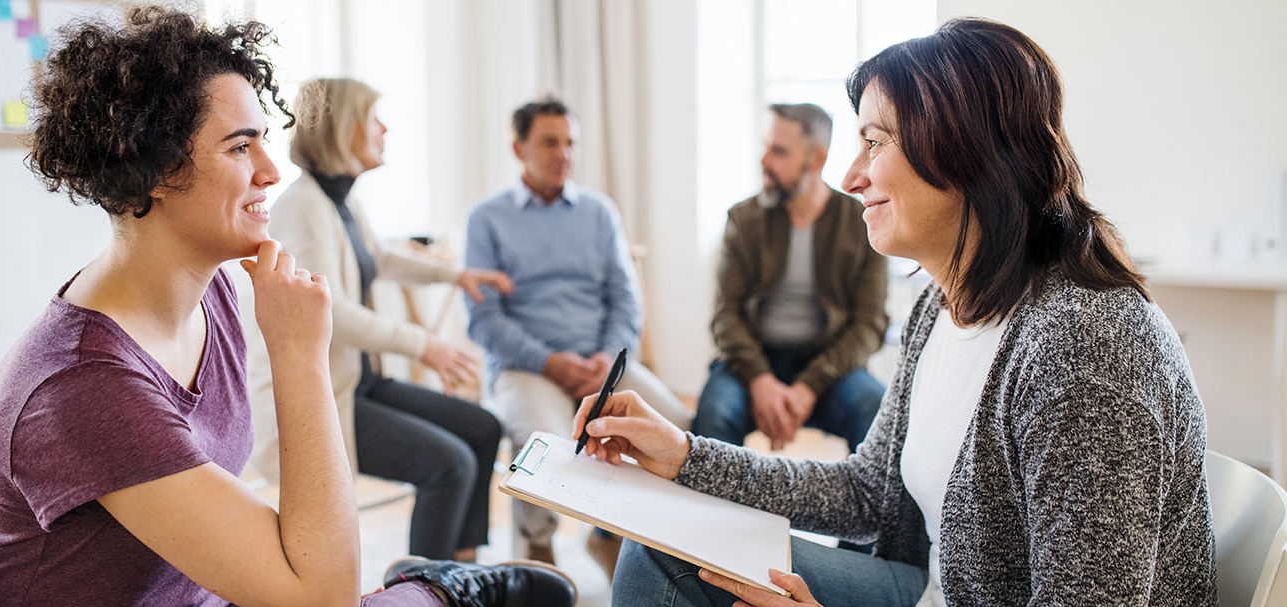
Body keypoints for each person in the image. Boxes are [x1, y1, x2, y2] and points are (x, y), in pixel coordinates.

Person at [579, 18, 1217, 607]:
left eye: (873, 142)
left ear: (963, 152)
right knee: (662, 542)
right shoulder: (943, 304)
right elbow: (868, 491)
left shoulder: (1085, 347)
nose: (851, 176)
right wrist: (685, 455)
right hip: (930, 586)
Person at [0, 8, 573, 607]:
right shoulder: (84, 388)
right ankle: (433, 590)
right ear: (151, 170)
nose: (272, 170)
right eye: (238, 147)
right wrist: (300, 354)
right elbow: (323, 599)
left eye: (264, 141)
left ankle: (429, 588)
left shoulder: (216, 294)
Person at [252, 77, 511, 563]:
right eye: (373, 119)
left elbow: (381, 258)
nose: (384, 129)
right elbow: (330, 310)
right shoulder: (303, 207)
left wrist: (457, 276)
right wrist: (425, 345)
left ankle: (462, 570)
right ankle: (423, 590)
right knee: (449, 465)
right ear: (342, 128)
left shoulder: (340, 200)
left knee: (481, 428)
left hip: (361, 382)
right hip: (325, 399)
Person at [464, 97, 692, 571]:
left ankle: (610, 531)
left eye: (571, 143)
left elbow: (626, 298)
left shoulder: (598, 212)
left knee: (674, 422)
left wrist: (607, 358)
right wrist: (551, 362)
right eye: (550, 142)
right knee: (541, 441)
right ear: (518, 147)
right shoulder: (487, 218)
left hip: (600, 362)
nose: (563, 153)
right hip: (529, 367)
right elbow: (484, 321)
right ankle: (539, 543)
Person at [694, 102, 887, 455]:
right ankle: (720, 512)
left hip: (828, 364)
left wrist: (808, 386)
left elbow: (869, 323)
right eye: (765, 146)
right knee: (713, 417)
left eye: (779, 151)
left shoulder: (861, 223)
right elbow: (726, 315)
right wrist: (760, 380)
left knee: (876, 410)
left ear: (816, 160)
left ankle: (866, 511)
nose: (764, 160)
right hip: (752, 360)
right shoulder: (743, 219)